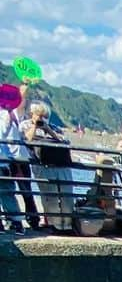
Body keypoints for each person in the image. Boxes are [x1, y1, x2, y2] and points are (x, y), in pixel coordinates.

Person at [21, 102, 75, 234]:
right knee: (49, 197)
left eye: (44, 115)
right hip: (42, 165)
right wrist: (34, 125)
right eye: (38, 115)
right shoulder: (25, 125)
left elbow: (65, 142)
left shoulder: (54, 128)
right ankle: (54, 225)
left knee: (66, 195)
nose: (41, 118)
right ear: (32, 114)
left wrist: (48, 130)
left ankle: (67, 226)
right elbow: (26, 140)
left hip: (61, 165)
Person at [0, 83, 39, 231]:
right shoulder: (12, 114)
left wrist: (24, 87)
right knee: (16, 192)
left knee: (11, 191)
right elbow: (21, 101)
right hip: (14, 159)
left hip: (10, 159)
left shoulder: (6, 115)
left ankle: (16, 222)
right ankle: (20, 222)